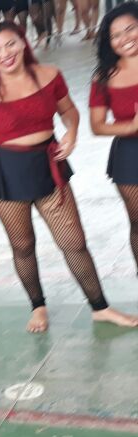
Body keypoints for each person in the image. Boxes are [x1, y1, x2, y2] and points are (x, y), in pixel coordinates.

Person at [0, 22, 138, 332]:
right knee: (23, 246)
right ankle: (38, 306)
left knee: (74, 242)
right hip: (7, 174)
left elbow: (69, 112)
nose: (5, 54)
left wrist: (71, 133)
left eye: (10, 44)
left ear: (23, 42)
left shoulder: (49, 75)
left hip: (49, 166)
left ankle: (100, 308)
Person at [90, 3, 138, 277]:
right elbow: (97, 126)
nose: (125, 38)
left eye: (130, 29)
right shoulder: (104, 77)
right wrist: (131, 125)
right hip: (129, 155)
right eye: (116, 35)